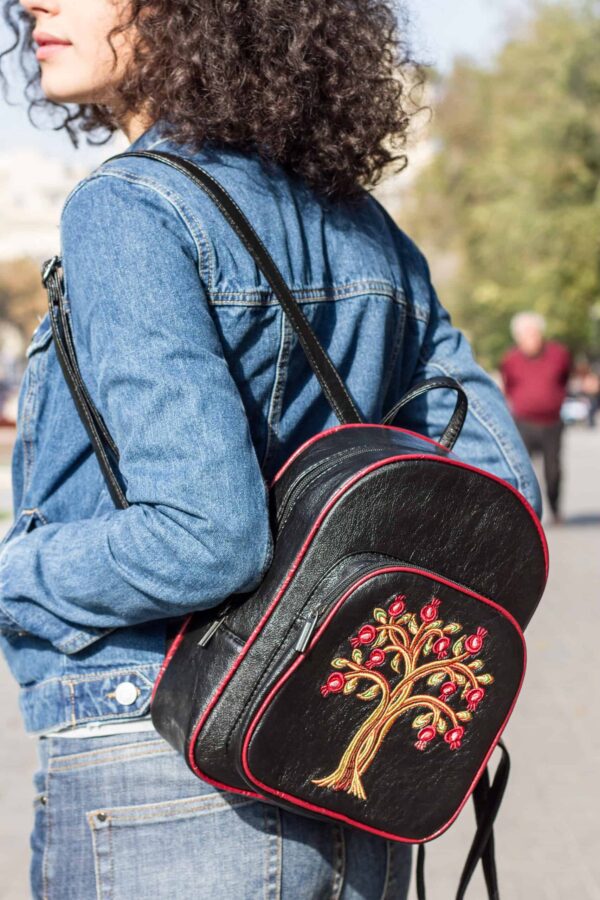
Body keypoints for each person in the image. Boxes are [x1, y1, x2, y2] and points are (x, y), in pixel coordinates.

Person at [0, 1, 541, 898]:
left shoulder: (130, 206)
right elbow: (501, 498)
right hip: (345, 783)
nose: (30, 1)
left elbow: (206, 537)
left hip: (166, 763)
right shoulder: (369, 230)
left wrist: (17, 570)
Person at [501, 312, 571, 524]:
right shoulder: (510, 359)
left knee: (553, 471)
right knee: (521, 470)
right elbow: (509, 386)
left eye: (534, 332)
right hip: (523, 423)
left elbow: (565, 378)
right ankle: (524, 515)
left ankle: (555, 508)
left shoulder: (559, 354)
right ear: (518, 337)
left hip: (552, 423)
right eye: (526, 334)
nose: (532, 338)